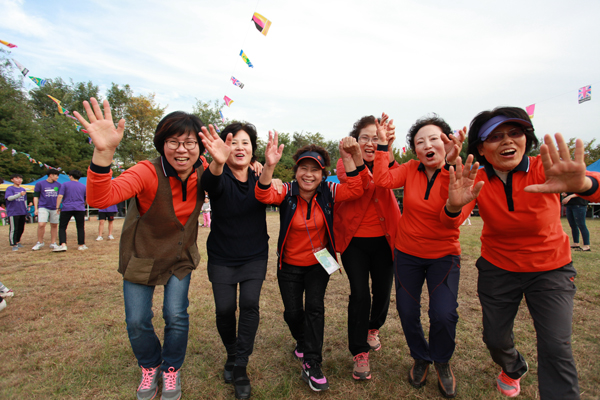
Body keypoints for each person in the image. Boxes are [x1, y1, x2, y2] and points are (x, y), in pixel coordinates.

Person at [445, 106, 600, 399]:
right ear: (481, 147)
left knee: (556, 346)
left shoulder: (545, 166)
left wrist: (584, 184)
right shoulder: (475, 177)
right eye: (495, 136)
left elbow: (594, 186)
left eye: (515, 133)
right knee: (495, 339)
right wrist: (453, 206)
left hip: (551, 269)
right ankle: (513, 366)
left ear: (526, 138)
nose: (507, 141)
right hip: (498, 268)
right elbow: (450, 220)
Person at [75, 97, 211, 400]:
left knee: (176, 315)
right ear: (162, 144)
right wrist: (103, 153)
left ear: (200, 147)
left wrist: (253, 163)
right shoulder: (145, 172)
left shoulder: (204, 170)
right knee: (137, 320)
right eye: (173, 142)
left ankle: (172, 368)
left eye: (189, 143)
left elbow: (233, 169)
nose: (181, 149)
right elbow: (100, 199)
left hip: (179, 257)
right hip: (142, 255)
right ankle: (150, 365)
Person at [255, 132, 364, 392]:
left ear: (322, 174)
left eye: (314, 170)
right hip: (289, 265)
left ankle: (312, 363)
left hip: (318, 264)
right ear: (296, 172)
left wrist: (349, 159)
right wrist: (269, 166)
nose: (308, 175)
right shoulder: (286, 191)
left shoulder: (329, 191)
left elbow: (356, 188)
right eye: (303, 169)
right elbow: (262, 195)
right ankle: (303, 341)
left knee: (315, 309)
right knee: (293, 313)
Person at [373, 115, 465, 398]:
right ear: (415, 150)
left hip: (444, 255)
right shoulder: (411, 168)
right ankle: (420, 357)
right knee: (407, 311)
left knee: (444, 313)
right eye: (420, 142)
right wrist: (382, 145)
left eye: (434, 139)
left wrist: (450, 170)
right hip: (407, 254)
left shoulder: (460, 173)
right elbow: (383, 178)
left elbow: (452, 222)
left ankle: (442, 361)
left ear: (448, 142)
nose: (428, 145)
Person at [199, 122, 272, 400]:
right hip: (222, 256)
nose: (239, 147)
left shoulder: (258, 176)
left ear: (252, 149)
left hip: (254, 254)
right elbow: (210, 184)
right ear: (223, 147)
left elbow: (270, 189)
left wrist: (270, 171)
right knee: (224, 310)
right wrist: (217, 164)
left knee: (250, 305)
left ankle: (240, 365)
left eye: (245, 142)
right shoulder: (218, 175)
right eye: (233, 142)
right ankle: (231, 351)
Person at [333, 114, 401, 380]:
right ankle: (359, 351)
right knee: (360, 294)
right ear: (355, 140)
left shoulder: (388, 161)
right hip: (354, 242)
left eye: (376, 138)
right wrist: (356, 159)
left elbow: (391, 177)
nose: (371, 143)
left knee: (383, 291)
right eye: (365, 138)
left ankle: (374, 328)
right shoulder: (343, 162)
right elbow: (362, 187)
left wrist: (388, 147)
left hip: (386, 240)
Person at [54, 170, 88, 252]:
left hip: (67, 208)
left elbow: (60, 196)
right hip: (79, 208)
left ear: (71, 176)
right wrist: (84, 205)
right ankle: (81, 245)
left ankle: (63, 244)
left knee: (62, 227)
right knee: (80, 227)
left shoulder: (65, 184)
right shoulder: (84, 186)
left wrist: (57, 207)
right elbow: (87, 198)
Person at [32, 169, 61, 250]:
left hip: (54, 208)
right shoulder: (40, 184)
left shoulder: (59, 185)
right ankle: (40, 242)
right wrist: (36, 208)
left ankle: (53, 243)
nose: (57, 177)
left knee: (54, 225)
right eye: (56, 175)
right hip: (43, 207)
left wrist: (58, 207)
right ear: (50, 175)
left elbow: (60, 196)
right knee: (41, 225)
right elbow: (36, 196)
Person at [4, 174, 28, 251]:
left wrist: (26, 210)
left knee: (21, 228)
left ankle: (17, 241)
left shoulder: (23, 189)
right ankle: (13, 244)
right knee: (14, 229)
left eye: (20, 178)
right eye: (17, 178)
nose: (19, 180)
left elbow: (25, 201)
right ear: (12, 180)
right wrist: (19, 194)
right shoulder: (10, 189)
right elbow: (9, 198)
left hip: (22, 211)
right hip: (13, 212)